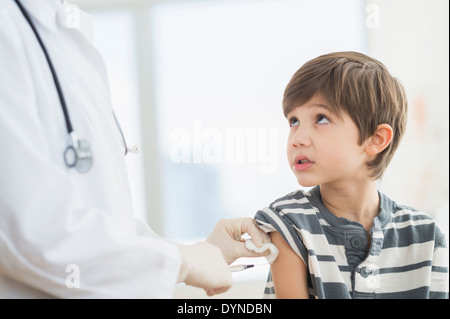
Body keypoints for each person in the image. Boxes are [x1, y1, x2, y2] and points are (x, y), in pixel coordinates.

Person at [0, 0, 270, 298]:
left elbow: (102, 220)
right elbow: (30, 230)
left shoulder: (66, 40)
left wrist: (200, 253)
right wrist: (181, 262)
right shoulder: (9, 27)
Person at [254, 51, 449, 299]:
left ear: (375, 139)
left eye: (321, 118)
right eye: (294, 121)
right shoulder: (289, 223)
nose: (297, 139)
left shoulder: (427, 236)